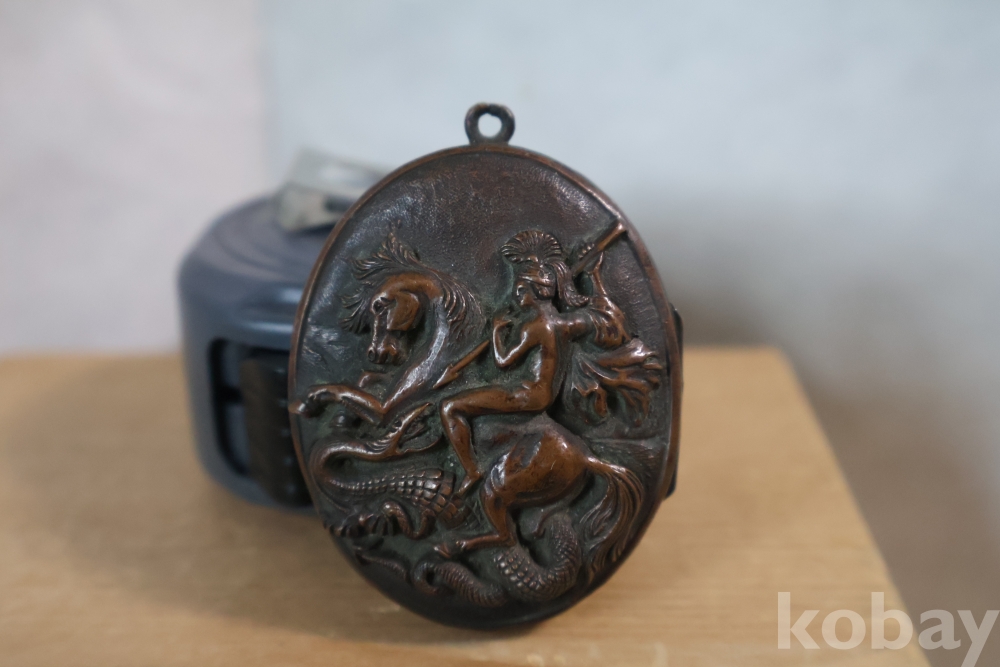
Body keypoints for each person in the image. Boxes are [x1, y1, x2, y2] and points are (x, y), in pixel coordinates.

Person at [439, 229, 628, 497]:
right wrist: (594, 276)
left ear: (533, 291)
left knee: (450, 408)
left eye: (519, 290)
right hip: (543, 395)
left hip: (525, 395)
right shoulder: (563, 323)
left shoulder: (533, 327)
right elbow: (605, 318)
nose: (515, 296)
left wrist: (496, 331)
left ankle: (471, 470)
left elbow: (503, 362)